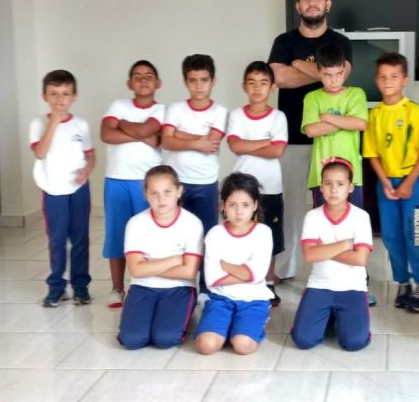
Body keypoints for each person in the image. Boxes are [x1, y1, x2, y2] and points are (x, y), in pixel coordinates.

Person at [268, 0, 352, 281]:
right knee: (290, 208)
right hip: (292, 137)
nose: (312, 2)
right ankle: (284, 270)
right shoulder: (284, 41)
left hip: (332, 139)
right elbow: (280, 78)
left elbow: (342, 75)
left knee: (333, 206)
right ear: (298, 5)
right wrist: (324, 73)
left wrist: (299, 65)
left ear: (327, 4)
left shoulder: (340, 42)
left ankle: (333, 271)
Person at [363, 52, 419, 313]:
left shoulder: (414, 111)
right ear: (376, 80)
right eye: (383, 77)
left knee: (415, 235)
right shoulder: (374, 115)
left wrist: (408, 182)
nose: (388, 82)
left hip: (412, 184)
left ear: (405, 79)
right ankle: (403, 282)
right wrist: (385, 182)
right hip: (386, 185)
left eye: (394, 76)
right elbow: (371, 153)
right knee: (391, 236)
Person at [100, 60, 165, 309]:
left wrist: (123, 125)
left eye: (149, 76)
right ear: (130, 83)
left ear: (158, 83)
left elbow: (152, 133)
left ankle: (145, 285)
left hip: (148, 183)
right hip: (116, 180)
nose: (143, 80)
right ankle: (117, 288)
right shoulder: (118, 105)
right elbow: (106, 134)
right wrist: (142, 134)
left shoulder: (162, 110)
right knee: (116, 234)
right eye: (137, 76)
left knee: (147, 235)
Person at [118, 165, 203, 349]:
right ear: (145, 194)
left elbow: (188, 272)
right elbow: (136, 271)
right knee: (132, 340)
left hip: (179, 287)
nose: (161, 199)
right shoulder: (136, 223)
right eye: (154, 193)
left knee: (165, 339)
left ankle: (181, 316)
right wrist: (176, 259)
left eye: (167, 192)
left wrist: (148, 266)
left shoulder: (192, 223)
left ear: (179, 191)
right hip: (142, 287)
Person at [29, 69, 95, 307]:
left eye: (65, 94)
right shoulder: (38, 123)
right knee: (57, 239)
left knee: (80, 238)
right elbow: (40, 152)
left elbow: (90, 155)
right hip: (53, 189)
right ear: (45, 96)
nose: (60, 99)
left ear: (74, 97)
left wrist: (87, 170)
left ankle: (80, 287)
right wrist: (54, 122)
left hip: (78, 189)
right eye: (54, 94)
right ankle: (57, 287)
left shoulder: (81, 125)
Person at [291, 159, 373, 351]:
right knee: (303, 340)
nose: (334, 190)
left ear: (350, 187)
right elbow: (309, 256)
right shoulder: (313, 216)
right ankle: (329, 315)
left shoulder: (361, 217)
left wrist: (322, 249)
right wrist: (345, 245)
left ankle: (336, 316)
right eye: (328, 183)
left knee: (354, 343)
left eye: (340, 184)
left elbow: (360, 259)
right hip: (320, 285)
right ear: (321, 187)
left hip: (352, 287)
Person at [162, 54, 227, 294]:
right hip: (177, 184)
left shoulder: (220, 112)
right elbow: (166, 141)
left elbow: (212, 143)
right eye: (193, 80)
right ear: (185, 81)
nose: (199, 86)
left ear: (213, 81)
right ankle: (181, 285)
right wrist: (197, 141)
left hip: (206, 184)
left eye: (204, 80)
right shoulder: (175, 109)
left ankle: (205, 288)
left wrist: (180, 135)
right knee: (178, 236)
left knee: (206, 236)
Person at [226, 61, 288, 306]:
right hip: (240, 188)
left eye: (263, 83)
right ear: (244, 86)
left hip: (271, 187)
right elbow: (235, 145)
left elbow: (278, 151)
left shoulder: (278, 117)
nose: (257, 88)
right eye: (252, 83)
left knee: (270, 236)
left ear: (272, 87)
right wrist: (265, 142)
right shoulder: (236, 115)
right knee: (240, 232)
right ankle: (242, 279)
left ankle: (268, 282)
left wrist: (249, 145)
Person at [195, 173, 274, 355]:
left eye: (245, 205)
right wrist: (245, 273)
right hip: (220, 299)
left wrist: (224, 265)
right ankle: (227, 326)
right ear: (223, 205)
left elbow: (257, 275)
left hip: (254, 300)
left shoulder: (263, 232)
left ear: (255, 205)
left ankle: (246, 326)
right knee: (206, 346)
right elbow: (212, 279)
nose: (239, 211)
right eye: (232, 205)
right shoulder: (215, 234)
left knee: (242, 345)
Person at [302, 44, 368, 207]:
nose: (334, 81)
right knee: (323, 221)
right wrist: (346, 121)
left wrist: (326, 117)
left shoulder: (356, 94)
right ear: (319, 72)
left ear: (344, 70)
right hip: (321, 175)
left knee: (352, 220)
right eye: (328, 75)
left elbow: (360, 124)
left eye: (339, 74)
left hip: (352, 176)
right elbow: (311, 130)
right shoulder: (312, 98)